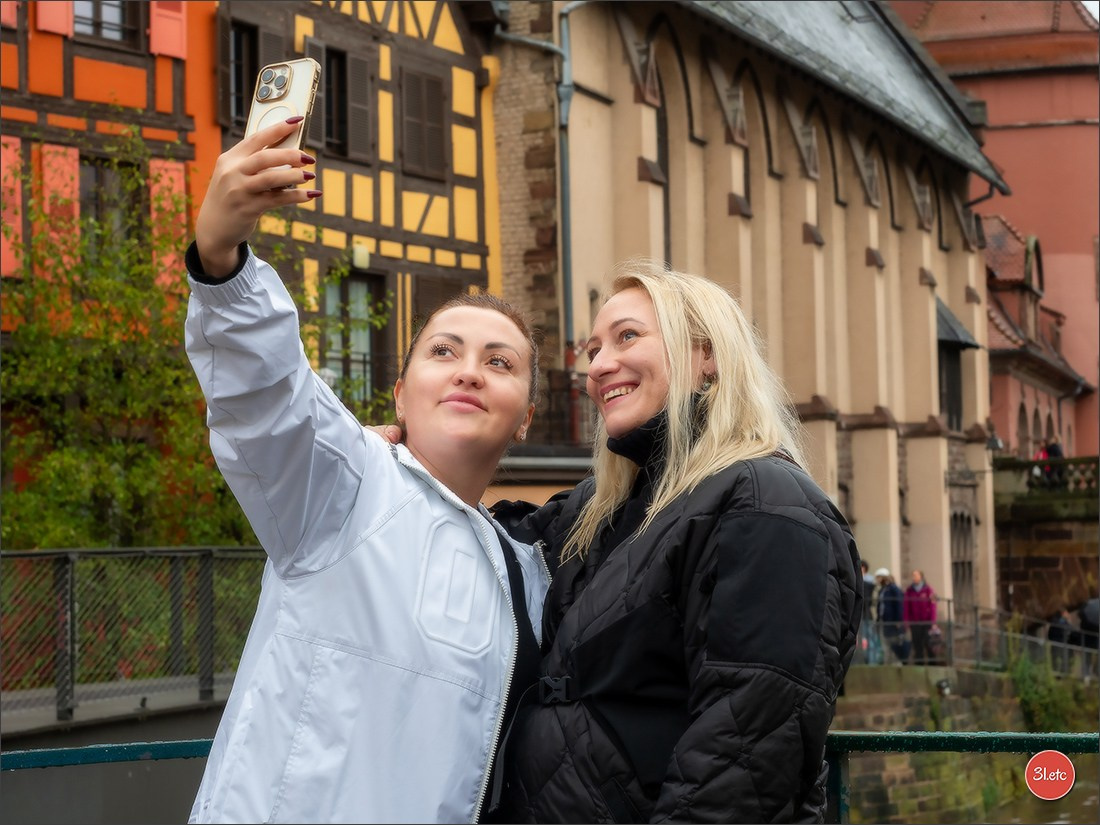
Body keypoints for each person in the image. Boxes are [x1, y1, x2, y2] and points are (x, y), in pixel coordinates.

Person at [184, 118, 549, 823]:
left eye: (499, 362)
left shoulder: (529, 574)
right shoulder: (342, 486)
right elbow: (269, 396)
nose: (470, 371)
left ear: (526, 416)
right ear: (400, 394)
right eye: (444, 351)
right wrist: (221, 259)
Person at [483, 261, 863, 823]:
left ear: (706, 356)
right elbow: (483, 545)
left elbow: (743, 760)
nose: (599, 365)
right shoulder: (606, 507)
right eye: (593, 351)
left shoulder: (765, 503)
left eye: (627, 336)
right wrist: (392, 458)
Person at [903, 569, 937, 665]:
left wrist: (933, 621)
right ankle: (919, 665)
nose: (914, 577)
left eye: (916, 575)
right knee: (917, 645)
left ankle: (932, 665)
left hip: (926, 622)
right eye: (913, 575)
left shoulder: (928, 589)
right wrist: (906, 621)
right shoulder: (909, 591)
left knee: (929, 644)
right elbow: (906, 607)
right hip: (915, 622)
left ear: (921, 577)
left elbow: (933, 606)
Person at [875, 568, 908, 664]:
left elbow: (898, 605)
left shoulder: (894, 589)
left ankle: (896, 663)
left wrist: (898, 620)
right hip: (883, 621)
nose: (877, 580)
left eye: (878, 578)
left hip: (891, 622)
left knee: (893, 643)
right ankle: (887, 662)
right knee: (885, 643)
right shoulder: (882, 590)